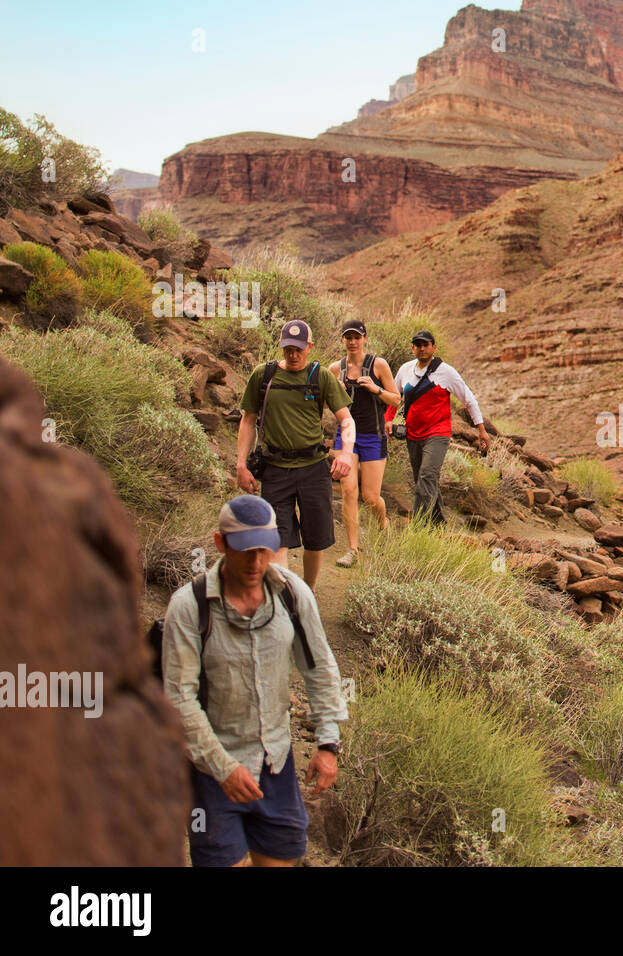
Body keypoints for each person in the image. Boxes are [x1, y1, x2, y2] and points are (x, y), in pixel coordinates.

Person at [162, 494, 348, 868]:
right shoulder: (189, 606)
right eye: (245, 550)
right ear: (220, 544)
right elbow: (179, 699)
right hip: (210, 771)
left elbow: (320, 668)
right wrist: (223, 768)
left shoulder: (293, 595)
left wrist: (328, 742)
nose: (256, 561)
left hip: (276, 763)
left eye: (265, 549)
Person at [236, 321, 354, 590]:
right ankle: (284, 595)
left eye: (299, 349)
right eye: (288, 349)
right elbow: (247, 420)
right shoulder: (263, 376)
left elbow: (346, 419)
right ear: (281, 347)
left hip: (313, 469)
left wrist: (346, 454)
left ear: (309, 347)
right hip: (275, 469)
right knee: (277, 538)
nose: (293, 354)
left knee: (316, 539)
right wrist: (241, 464)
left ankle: (308, 589)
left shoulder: (321, 376)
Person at [384, 329, 491, 525]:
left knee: (426, 476)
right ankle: (438, 525)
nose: (422, 348)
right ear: (412, 348)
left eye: (426, 345)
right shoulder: (405, 370)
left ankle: (418, 528)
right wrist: (388, 419)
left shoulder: (446, 372)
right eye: (418, 345)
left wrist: (481, 429)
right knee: (422, 480)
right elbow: (394, 396)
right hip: (412, 434)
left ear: (434, 347)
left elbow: (469, 400)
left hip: (437, 434)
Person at [328, 318, 400, 568]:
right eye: (348, 337)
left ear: (364, 339)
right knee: (348, 491)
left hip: (373, 436)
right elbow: (324, 402)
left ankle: (383, 523)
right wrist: (335, 390)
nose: (352, 341)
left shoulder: (378, 365)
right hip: (346, 436)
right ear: (342, 341)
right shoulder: (335, 369)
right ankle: (352, 549)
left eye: (357, 337)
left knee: (370, 497)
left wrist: (375, 388)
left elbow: (396, 400)